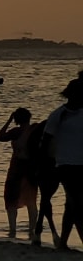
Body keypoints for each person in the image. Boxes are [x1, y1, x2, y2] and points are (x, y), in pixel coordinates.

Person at [43, 73, 83, 250]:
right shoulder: (58, 115)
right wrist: (47, 165)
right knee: (78, 203)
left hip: (82, 165)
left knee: (71, 205)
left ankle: (63, 243)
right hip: (65, 165)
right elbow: (45, 140)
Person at [0, 107, 37, 237]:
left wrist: (9, 120)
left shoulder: (16, 131)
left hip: (16, 168)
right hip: (31, 168)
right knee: (31, 200)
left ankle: (12, 229)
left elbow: (0, 136)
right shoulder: (34, 130)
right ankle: (32, 229)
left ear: (17, 119)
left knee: (10, 199)